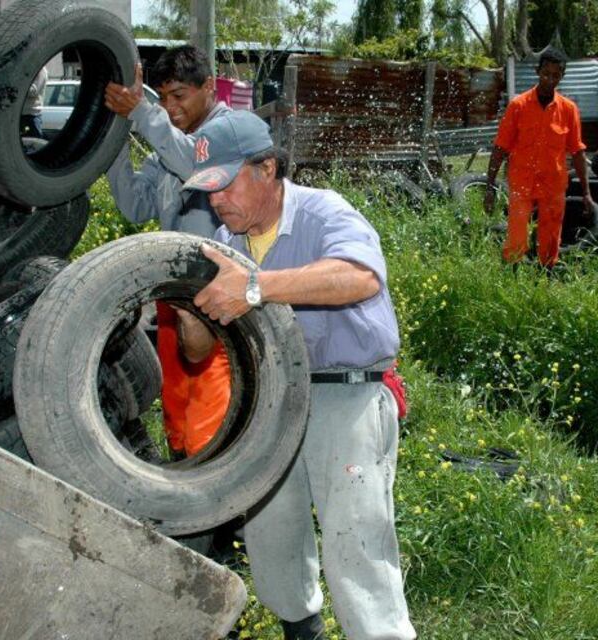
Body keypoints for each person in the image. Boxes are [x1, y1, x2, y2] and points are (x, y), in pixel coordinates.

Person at [175, 110, 416, 640]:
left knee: (356, 542)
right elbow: (196, 353)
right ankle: (301, 629)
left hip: (345, 397)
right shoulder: (224, 245)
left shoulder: (324, 212)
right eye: (207, 189)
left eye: (225, 184)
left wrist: (255, 286)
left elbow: (358, 278)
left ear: (266, 168)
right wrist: (188, 304)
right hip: (272, 404)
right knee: (271, 533)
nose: (216, 200)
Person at [104, 45, 232, 460]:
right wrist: (114, 135)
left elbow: (194, 165)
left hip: (219, 298)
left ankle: (223, 518)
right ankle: (187, 507)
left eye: (180, 96)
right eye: (165, 98)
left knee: (211, 422)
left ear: (209, 87)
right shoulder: (170, 142)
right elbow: (134, 205)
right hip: (173, 298)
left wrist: (143, 113)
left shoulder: (229, 133)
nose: (172, 108)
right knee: (177, 418)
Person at [484, 46, 593, 268]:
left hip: (553, 186)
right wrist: (489, 188)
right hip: (522, 183)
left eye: (555, 75)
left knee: (550, 241)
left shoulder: (568, 110)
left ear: (562, 76)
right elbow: (500, 148)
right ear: (537, 71)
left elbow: (578, 152)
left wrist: (586, 193)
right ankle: (511, 281)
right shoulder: (518, 106)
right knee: (516, 238)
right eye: (546, 73)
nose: (549, 79)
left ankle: (545, 280)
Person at [20, 66, 48, 138]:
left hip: (32, 114)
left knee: (33, 142)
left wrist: (21, 81)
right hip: (22, 114)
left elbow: (33, 92)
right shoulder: (30, 69)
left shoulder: (41, 71)